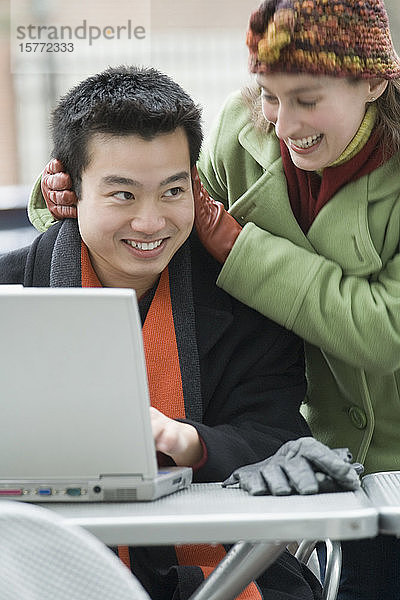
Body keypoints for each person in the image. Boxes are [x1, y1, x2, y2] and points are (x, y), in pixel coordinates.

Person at [30, 1, 400, 598]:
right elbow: (143, 179)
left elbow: (383, 337)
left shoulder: (247, 307)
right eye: (269, 95)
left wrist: (232, 244)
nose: (281, 124)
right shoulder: (239, 128)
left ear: (377, 80)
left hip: (387, 442)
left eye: (306, 98)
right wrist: (61, 195)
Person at [0, 64, 339, 600]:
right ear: (68, 189)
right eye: (123, 195)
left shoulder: (246, 301)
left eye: (171, 191)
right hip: (29, 573)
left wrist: (191, 442)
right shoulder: (9, 290)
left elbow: (279, 438)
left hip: (226, 576)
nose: (151, 221)